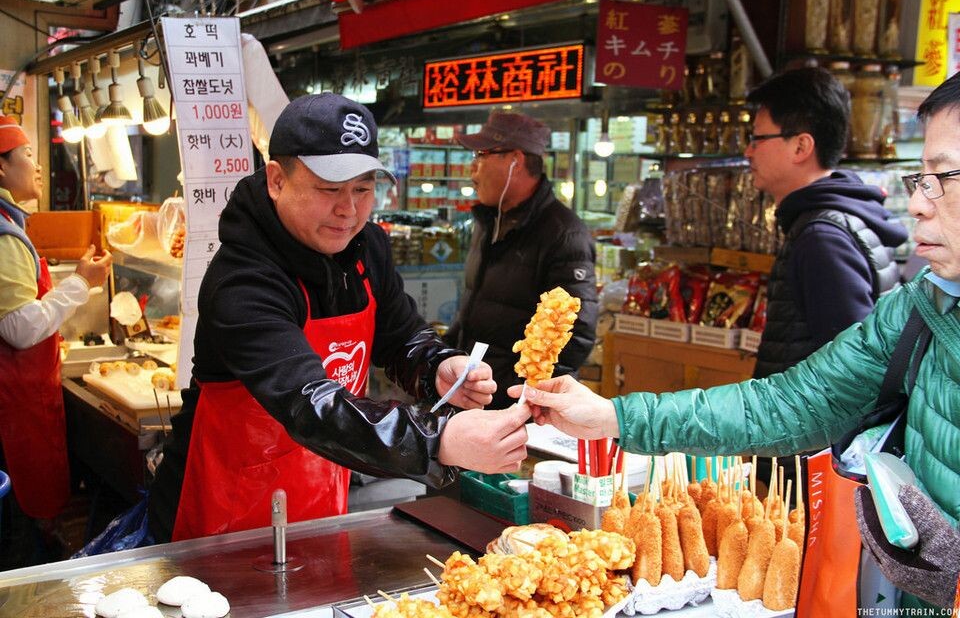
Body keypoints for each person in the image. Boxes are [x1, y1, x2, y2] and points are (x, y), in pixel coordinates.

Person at [508, 71, 960, 611]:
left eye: (942, 177)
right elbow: (790, 401)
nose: (918, 204)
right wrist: (616, 418)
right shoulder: (921, 309)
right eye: (920, 178)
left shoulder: (826, 237)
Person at [148, 93, 532, 543]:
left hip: (322, 489)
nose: (348, 210)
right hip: (226, 507)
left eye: (363, 189)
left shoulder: (367, 247)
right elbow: (308, 402)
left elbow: (400, 333)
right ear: (276, 180)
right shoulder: (244, 279)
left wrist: (435, 366)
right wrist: (437, 439)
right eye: (329, 189)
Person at [744, 67, 907, 485]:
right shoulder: (828, 222)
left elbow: (853, 371)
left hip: (814, 467)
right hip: (807, 454)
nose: (748, 152)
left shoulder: (822, 236)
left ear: (801, 145)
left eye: (758, 138)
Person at [444, 111, 598, 409]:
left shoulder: (564, 234)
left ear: (515, 160)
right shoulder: (489, 221)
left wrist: (525, 400)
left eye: (482, 155)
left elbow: (576, 334)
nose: (472, 169)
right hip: (475, 391)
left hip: (515, 405)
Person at [0, 116, 112, 522]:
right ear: (2, 167)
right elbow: (20, 328)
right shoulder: (5, 235)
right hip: (14, 404)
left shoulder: (12, 224)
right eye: (29, 155)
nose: (39, 165)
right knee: (22, 526)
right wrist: (82, 282)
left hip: (20, 395)